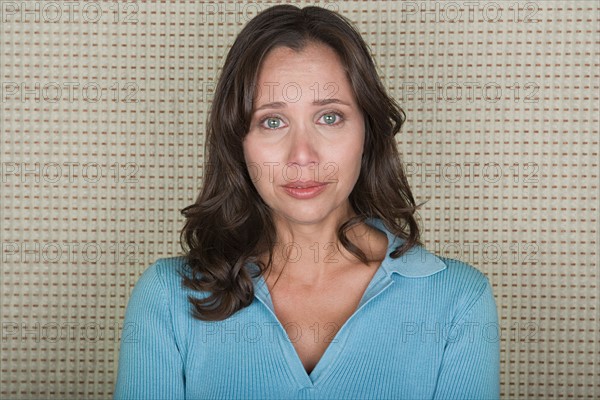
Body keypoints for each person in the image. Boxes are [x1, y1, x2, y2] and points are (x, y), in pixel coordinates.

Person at [113, 4, 500, 399]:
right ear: (237, 141)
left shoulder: (458, 300)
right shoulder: (168, 297)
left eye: (329, 117)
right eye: (272, 121)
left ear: (368, 131)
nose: (302, 156)